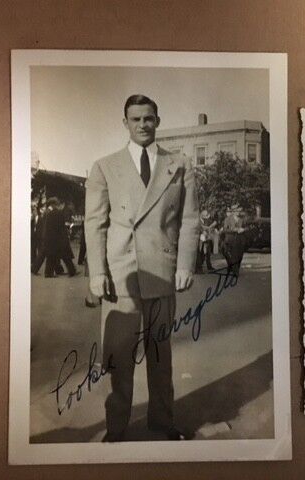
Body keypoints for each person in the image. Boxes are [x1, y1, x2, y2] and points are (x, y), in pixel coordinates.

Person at [85, 94, 200, 441]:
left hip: (163, 271)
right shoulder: (105, 166)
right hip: (122, 275)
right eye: (135, 119)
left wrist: (185, 263)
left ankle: (163, 421)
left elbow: (190, 219)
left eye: (149, 118)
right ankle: (116, 428)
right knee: (119, 357)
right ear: (125, 124)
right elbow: (95, 223)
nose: (143, 125)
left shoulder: (179, 164)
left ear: (158, 121)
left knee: (160, 355)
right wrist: (96, 272)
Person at [43, 197, 77, 278]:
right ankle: (72, 271)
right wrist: (65, 236)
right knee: (66, 256)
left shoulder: (49, 213)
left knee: (52, 256)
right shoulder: (58, 213)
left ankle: (49, 273)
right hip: (58, 238)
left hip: (50, 238)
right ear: (55, 204)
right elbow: (62, 227)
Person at [220, 204, 248, 276]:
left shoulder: (242, 219)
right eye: (237, 211)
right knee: (233, 255)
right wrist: (234, 230)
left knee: (240, 256)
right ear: (233, 212)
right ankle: (235, 271)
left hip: (240, 240)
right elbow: (225, 229)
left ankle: (234, 267)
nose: (238, 212)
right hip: (231, 240)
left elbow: (247, 227)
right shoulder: (228, 219)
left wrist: (243, 229)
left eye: (239, 211)